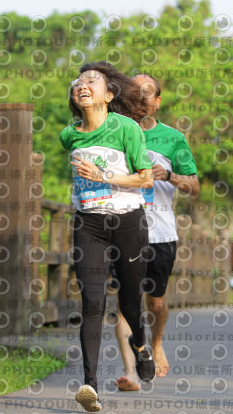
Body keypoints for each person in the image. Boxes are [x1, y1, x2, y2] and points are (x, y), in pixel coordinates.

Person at [60, 61, 155, 412]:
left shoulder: (127, 128)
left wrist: (103, 177)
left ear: (109, 93)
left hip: (129, 223)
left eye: (91, 81)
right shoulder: (68, 135)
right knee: (93, 302)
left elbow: (145, 179)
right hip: (89, 225)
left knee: (130, 302)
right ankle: (90, 385)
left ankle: (141, 347)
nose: (82, 85)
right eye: (77, 82)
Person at [113, 74, 199, 391]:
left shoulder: (172, 138)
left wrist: (171, 175)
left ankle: (157, 341)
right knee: (125, 302)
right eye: (134, 92)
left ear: (157, 101)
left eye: (147, 93)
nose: (141, 98)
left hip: (161, 233)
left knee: (156, 304)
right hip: (123, 228)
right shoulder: (114, 132)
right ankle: (131, 372)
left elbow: (195, 186)